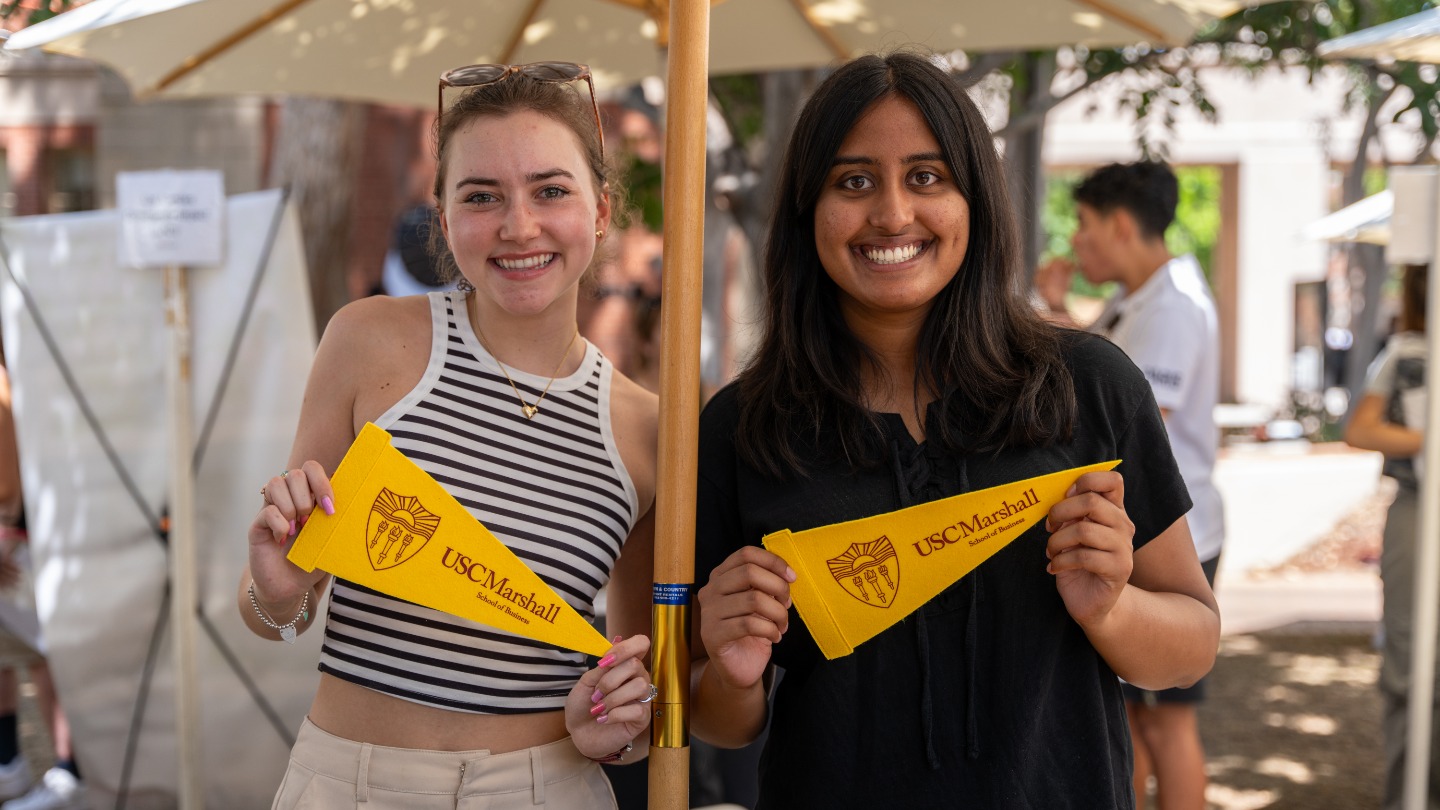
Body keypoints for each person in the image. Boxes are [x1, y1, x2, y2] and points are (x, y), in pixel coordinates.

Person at [690, 51, 1220, 809]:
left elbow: (1191, 647)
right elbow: (717, 719)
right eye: (854, 181)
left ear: (976, 199)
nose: (893, 215)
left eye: (927, 177)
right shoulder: (744, 427)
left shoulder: (1088, 387)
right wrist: (735, 670)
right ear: (808, 208)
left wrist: (1112, 607)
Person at [239, 63, 659, 809]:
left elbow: (634, 683)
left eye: (550, 190)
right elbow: (274, 607)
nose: (518, 225)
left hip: (545, 790)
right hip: (346, 784)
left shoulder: (646, 433)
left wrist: (614, 723)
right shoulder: (366, 340)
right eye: (481, 197)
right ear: (443, 221)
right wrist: (278, 594)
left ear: (600, 209)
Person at [1068, 160, 1224, 810]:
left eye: (1083, 225)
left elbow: (1134, 427)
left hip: (1170, 532)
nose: (1076, 240)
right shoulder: (1143, 297)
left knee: (1168, 722)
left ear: (1122, 225)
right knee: (1131, 721)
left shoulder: (1172, 308)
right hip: (1131, 529)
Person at [1345, 262, 1431, 810]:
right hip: (1420, 512)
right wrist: (1427, 436)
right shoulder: (1407, 353)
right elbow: (1360, 428)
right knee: (1409, 660)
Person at [0, 359, 82, 810]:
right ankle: (11, 761)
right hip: (19, 538)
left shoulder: (5, 384)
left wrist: (5, 528)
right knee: (16, 653)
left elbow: (8, 484)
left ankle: (68, 771)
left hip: (18, 542)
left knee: (41, 655)